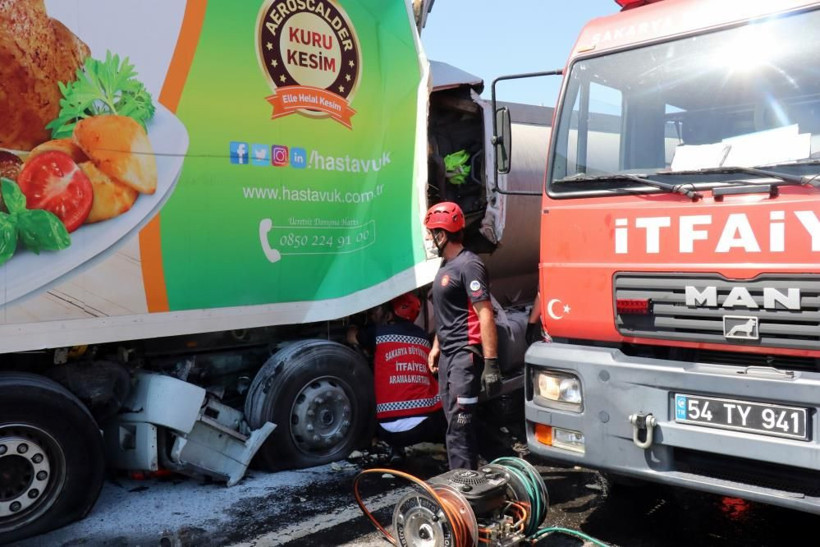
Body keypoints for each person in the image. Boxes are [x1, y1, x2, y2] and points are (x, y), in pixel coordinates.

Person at [424, 201, 500, 470]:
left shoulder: (469, 265)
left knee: (459, 429)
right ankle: (475, 479)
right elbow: (448, 313)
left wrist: (491, 364)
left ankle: (464, 492)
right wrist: (436, 347)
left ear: (442, 235)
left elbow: (485, 314)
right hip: (448, 355)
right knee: (456, 426)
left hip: (465, 357)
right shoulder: (446, 265)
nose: (430, 240)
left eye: (431, 233)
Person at [348, 293, 445, 460]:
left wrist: (354, 325)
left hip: (387, 432)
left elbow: (350, 337)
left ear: (389, 313)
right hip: (425, 428)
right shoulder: (423, 337)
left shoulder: (377, 334)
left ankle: (394, 449)